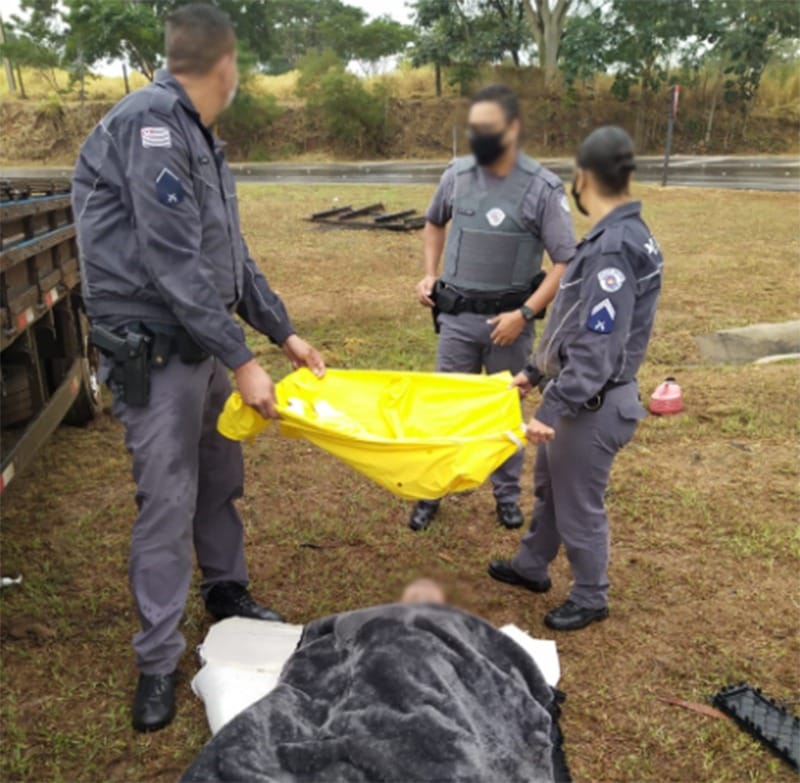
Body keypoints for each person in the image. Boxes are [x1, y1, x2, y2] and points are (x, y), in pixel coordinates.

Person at [72, 4, 325, 733]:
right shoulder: (151, 125)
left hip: (202, 345)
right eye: (239, 64)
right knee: (167, 500)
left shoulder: (198, 137)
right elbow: (173, 265)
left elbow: (229, 260)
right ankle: (156, 660)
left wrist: (285, 335)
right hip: (157, 351)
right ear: (222, 66)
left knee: (220, 477)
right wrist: (245, 360)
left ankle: (225, 590)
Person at [488, 126, 663, 632]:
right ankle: (530, 566)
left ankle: (591, 595)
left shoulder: (613, 248)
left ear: (583, 177)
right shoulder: (625, 234)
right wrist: (531, 371)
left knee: (578, 502)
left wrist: (550, 410)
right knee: (551, 488)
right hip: (584, 397)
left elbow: (596, 350)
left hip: (591, 405)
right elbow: (571, 326)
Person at [412, 84, 576, 533]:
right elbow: (433, 220)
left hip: (508, 324)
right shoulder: (457, 174)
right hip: (457, 319)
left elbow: (566, 259)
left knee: (504, 412)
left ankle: (506, 496)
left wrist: (524, 314)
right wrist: (430, 274)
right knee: (447, 409)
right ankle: (432, 491)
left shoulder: (541, 186)